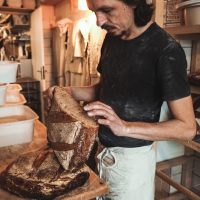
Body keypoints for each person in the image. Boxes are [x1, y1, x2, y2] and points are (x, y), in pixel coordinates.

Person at [46, 0, 196, 199]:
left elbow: (187, 127)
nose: (99, 21)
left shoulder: (166, 49)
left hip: (131, 165)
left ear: (134, 3)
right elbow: (105, 90)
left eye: (107, 10)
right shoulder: (111, 39)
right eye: (94, 12)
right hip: (99, 151)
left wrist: (125, 127)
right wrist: (67, 92)